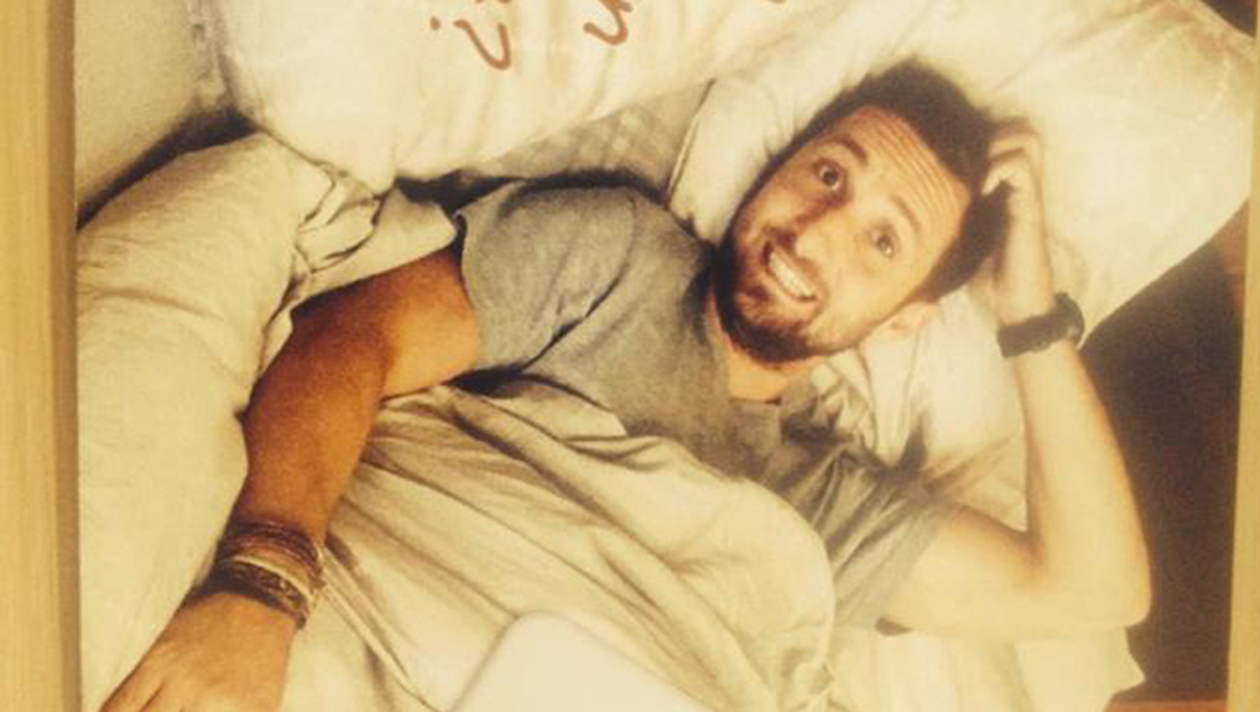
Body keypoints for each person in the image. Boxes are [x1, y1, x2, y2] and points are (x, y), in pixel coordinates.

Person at [103, 63, 1149, 711]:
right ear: (779, 164)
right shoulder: (622, 257)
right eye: (829, 174)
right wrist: (264, 588)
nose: (820, 232)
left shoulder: (830, 507)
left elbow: (1095, 592)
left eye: (884, 241)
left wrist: (1029, 312)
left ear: (905, 318)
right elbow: (352, 342)